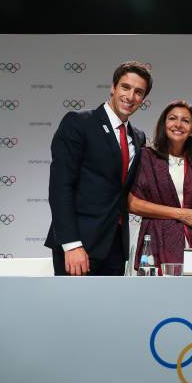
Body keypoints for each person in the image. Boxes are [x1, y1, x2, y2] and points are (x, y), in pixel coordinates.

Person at [44, 61, 152, 276]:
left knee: (110, 310)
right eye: (125, 87)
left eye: (138, 92)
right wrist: (72, 244)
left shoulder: (138, 137)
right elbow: (60, 187)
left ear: (143, 99)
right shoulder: (79, 123)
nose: (130, 96)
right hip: (80, 244)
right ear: (113, 87)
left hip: (115, 247)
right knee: (75, 309)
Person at [128, 100, 192, 268]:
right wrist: (180, 214)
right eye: (172, 118)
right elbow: (132, 203)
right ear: (164, 124)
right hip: (156, 242)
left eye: (185, 120)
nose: (178, 124)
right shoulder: (146, 158)